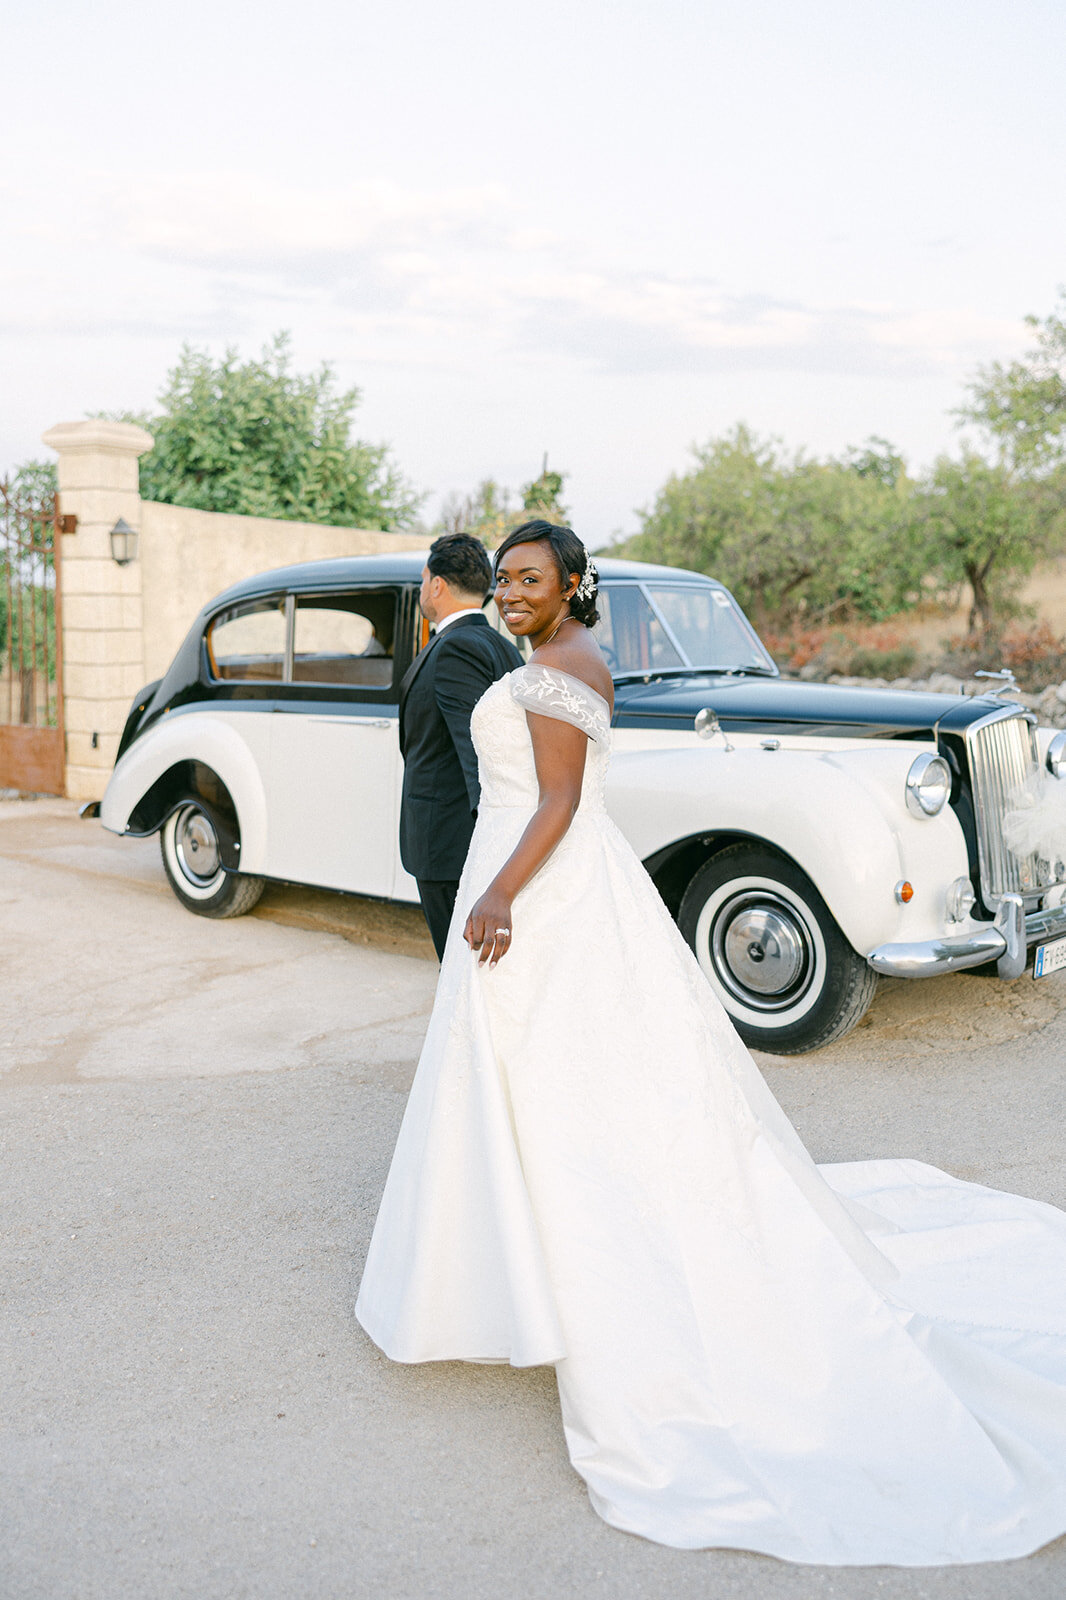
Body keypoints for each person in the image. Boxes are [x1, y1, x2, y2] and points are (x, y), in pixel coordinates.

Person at [357, 519, 1066, 1566]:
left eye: (528, 578)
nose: (509, 591)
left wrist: (500, 890)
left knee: (560, 1075)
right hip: (535, 876)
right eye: (502, 577)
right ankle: (510, 1258)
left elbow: (554, 802)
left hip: (538, 884)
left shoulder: (559, 671)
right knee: (525, 1071)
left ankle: (580, 1258)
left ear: (571, 585)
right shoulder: (546, 655)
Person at [398, 532, 522, 959]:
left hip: (451, 847)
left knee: (460, 969)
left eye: (422, 580)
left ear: (437, 584)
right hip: (459, 843)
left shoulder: (456, 650)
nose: (422, 589)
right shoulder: (502, 647)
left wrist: (489, 854)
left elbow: (478, 758)